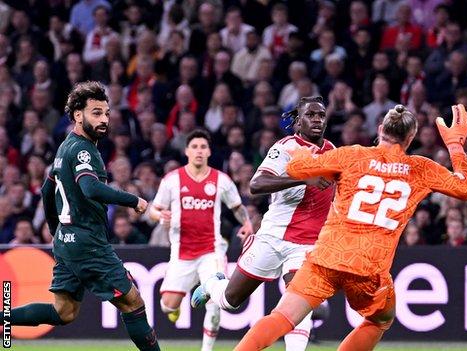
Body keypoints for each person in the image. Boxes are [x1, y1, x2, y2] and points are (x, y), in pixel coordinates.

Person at [231, 104, 467, 350]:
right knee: (381, 319)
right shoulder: (421, 169)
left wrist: (300, 153)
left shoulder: (352, 155)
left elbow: (297, 169)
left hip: (326, 259)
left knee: (282, 315)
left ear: (380, 129)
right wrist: (455, 146)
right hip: (368, 269)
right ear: (411, 138)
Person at [8, 81, 160, 350]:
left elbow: (46, 190)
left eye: (106, 113)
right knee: (133, 302)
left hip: (68, 241)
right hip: (88, 243)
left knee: (63, 312)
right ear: (78, 115)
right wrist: (134, 200)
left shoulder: (64, 147)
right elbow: (90, 188)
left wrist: (58, 231)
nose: (104, 120)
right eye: (96, 113)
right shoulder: (82, 149)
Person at [191, 96, 335, 350]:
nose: (317, 120)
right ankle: (213, 284)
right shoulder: (285, 148)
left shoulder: (333, 152)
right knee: (229, 300)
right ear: (298, 121)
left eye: (321, 115)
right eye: (310, 115)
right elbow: (257, 184)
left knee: (299, 302)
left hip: (307, 245)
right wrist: (303, 179)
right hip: (272, 238)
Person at [148, 128, 252, 351]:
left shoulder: (221, 180)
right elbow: (153, 210)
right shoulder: (172, 180)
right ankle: (175, 306)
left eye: (203, 147)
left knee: (215, 301)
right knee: (167, 307)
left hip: (211, 251)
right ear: (186, 151)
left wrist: (247, 222)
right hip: (182, 253)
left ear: (209, 152)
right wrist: (160, 215)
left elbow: (237, 207)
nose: (199, 151)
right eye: (194, 146)